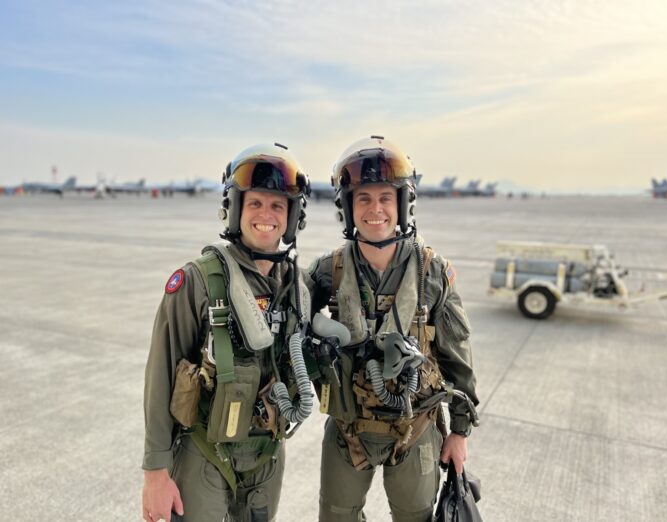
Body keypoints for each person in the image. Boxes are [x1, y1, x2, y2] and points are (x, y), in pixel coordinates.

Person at [306, 136, 479, 522]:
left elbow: (458, 353)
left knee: (414, 516)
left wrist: (460, 432)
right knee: (335, 515)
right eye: (363, 198)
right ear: (347, 207)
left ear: (403, 204)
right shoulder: (327, 271)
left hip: (415, 430)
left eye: (385, 197)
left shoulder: (430, 271)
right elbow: (281, 305)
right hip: (348, 431)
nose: (375, 209)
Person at [141, 143, 312, 522]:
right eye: (255, 204)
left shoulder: (297, 287)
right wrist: (156, 471)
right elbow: (160, 373)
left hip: (267, 454)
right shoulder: (198, 281)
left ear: (292, 216)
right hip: (204, 450)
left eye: (277, 206)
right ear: (235, 210)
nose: (266, 215)